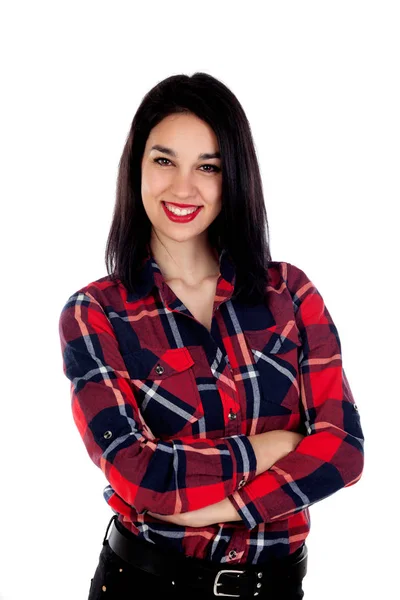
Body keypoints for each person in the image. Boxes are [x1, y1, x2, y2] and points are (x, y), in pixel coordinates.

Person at [58, 72, 365, 600]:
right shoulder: (96, 313)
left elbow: (343, 453)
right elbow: (141, 476)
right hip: (145, 586)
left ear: (235, 177)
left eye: (208, 167)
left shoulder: (290, 294)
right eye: (164, 160)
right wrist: (276, 446)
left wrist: (226, 508)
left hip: (277, 588)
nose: (183, 187)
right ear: (136, 169)